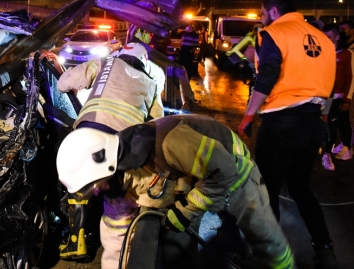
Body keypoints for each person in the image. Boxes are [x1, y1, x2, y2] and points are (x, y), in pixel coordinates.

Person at [57, 114, 295, 269]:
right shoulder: (116, 185)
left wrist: (185, 211)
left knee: (264, 240)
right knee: (212, 247)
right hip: (200, 179)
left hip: (236, 173)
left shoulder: (169, 143)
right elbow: (115, 239)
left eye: (93, 186)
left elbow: (224, 171)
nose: (95, 192)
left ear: (106, 168)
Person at [239, 0, 337, 268]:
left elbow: (268, 75)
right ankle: (325, 249)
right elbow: (327, 88)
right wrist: (324, 122)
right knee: (300, 187)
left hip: (282, 122)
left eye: (261, 11)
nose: (261, 17)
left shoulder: (275, 32)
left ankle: (267, 254)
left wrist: (249, 115)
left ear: (272, 11)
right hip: (313, 122)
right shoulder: (325, 42)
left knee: (266, 188)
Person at [56, 42, 158, 260]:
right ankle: (120, 247)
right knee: (116, 191)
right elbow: (157, 120)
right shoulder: (150, 83)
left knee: (78, 179)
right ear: (144, 62)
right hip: (125, 145)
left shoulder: (105, 63)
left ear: (120, 54)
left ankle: (76, 242)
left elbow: (63, 84)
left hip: (92, 130)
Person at [321, 23, 353, 168]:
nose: (325, 39)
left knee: (333, 125)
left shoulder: (346, 54)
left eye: (329, 37)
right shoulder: (321, 51)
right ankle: (336, 148)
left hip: (337, 97)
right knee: (330, 124)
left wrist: (347, 99)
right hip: (322, 96)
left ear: (337, 37)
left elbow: (350, 77)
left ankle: (328, 154)